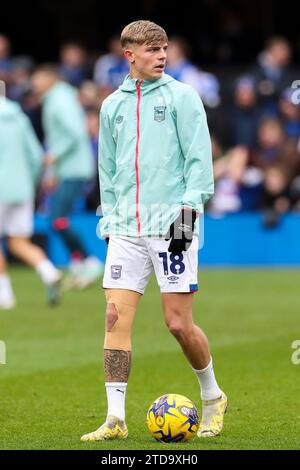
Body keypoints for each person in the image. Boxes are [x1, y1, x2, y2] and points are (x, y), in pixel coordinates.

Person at [81, 20, 227, 442]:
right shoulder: (112, 106)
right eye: (152, 50)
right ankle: (115, 418)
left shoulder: (183, 97)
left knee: (177, 324)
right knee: (113, 317)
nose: (161, 56)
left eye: (164, 49)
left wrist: (187, 217)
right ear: (129, 55)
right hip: (125, 227)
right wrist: (109, 220)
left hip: (174, 223)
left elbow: (200, 165)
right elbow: (106, 170)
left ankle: (213, 396)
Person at [31, 65, 104, 290]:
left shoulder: (58, 100)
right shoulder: (61, 98)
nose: (33, 84)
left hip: (74, 169)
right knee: (59, 219)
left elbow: (73, 133)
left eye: (37, 79)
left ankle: (89, 261)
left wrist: (53, 157)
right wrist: (54, 172)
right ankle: (79, 263)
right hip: (71, 168)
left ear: (48, 79)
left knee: (57, 219)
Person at [0, 97, 61, 309]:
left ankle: (4, 295)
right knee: (18, 242)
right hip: (22, 188)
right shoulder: (20, 117)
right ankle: (48, 271)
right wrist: (30, 182)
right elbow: (36, 156)